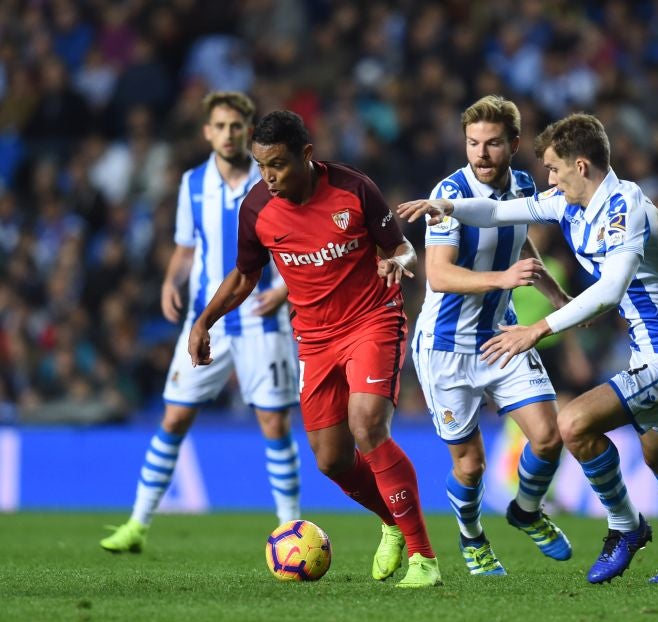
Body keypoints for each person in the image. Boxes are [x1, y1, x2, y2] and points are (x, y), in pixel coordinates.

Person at [398, 113, 658, 584]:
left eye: (554, 169)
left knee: (572, 423)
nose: (548, 179)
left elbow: (611, 290)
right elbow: (494, 212)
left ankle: (624, 527)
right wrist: (447, 209)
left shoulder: (624, 206)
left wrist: (538, 328)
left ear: (581, 165)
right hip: (651, 353)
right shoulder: (567, 202)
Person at [187, 110, 442, 588]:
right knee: (331, 460)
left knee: (367, 424)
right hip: (315, 339)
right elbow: (245, 275)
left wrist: (398, 263)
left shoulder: (354, 189)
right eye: (262, 166)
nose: (269, 176)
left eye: (278, 165)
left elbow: (401, 248)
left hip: (373, 319)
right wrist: (205, 321)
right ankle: (391, 521)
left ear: (307, 155)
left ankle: (424, 559)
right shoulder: (258, 209)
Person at [101, 92, 302, 553]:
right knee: (174, 416)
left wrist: (285, 289)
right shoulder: (193, 184)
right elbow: (187, 247)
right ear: (206, 132)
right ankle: (137, 524)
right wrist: (171, 280)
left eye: (237, 126)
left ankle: (290, 529)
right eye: (220, 126)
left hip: (259, 318)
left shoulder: (271, 178)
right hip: (205, 319)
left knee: (274, 424)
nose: (228, 134)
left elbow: (300, 238)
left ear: (250, 132)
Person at [413, 95, 572, 576]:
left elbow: (519, 244)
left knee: (548, 437)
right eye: (472, 143)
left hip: (501, 338)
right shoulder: (448, 197)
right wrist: (503, 281)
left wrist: (559, 299)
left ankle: (525, 509)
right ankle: (472, 538)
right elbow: (439, 276)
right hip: (446, 348)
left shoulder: (524, 186)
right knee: (471, 465)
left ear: (515, 144)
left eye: (493, 143)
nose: (480, 154)